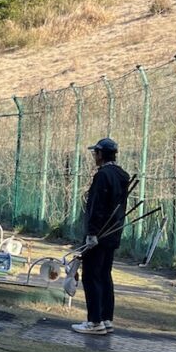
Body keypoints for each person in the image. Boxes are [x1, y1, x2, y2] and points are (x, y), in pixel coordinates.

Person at [72, 137, 131, 335]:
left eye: (95, 153)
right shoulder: (122, 175)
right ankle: (106, 319)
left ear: (100, 154)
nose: (94, 157)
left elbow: (97, 206)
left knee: (91, 276)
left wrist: (91, 233)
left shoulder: (103, 176)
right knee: (105, 275)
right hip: (113, 232)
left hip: (99, 234)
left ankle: (95, 321)